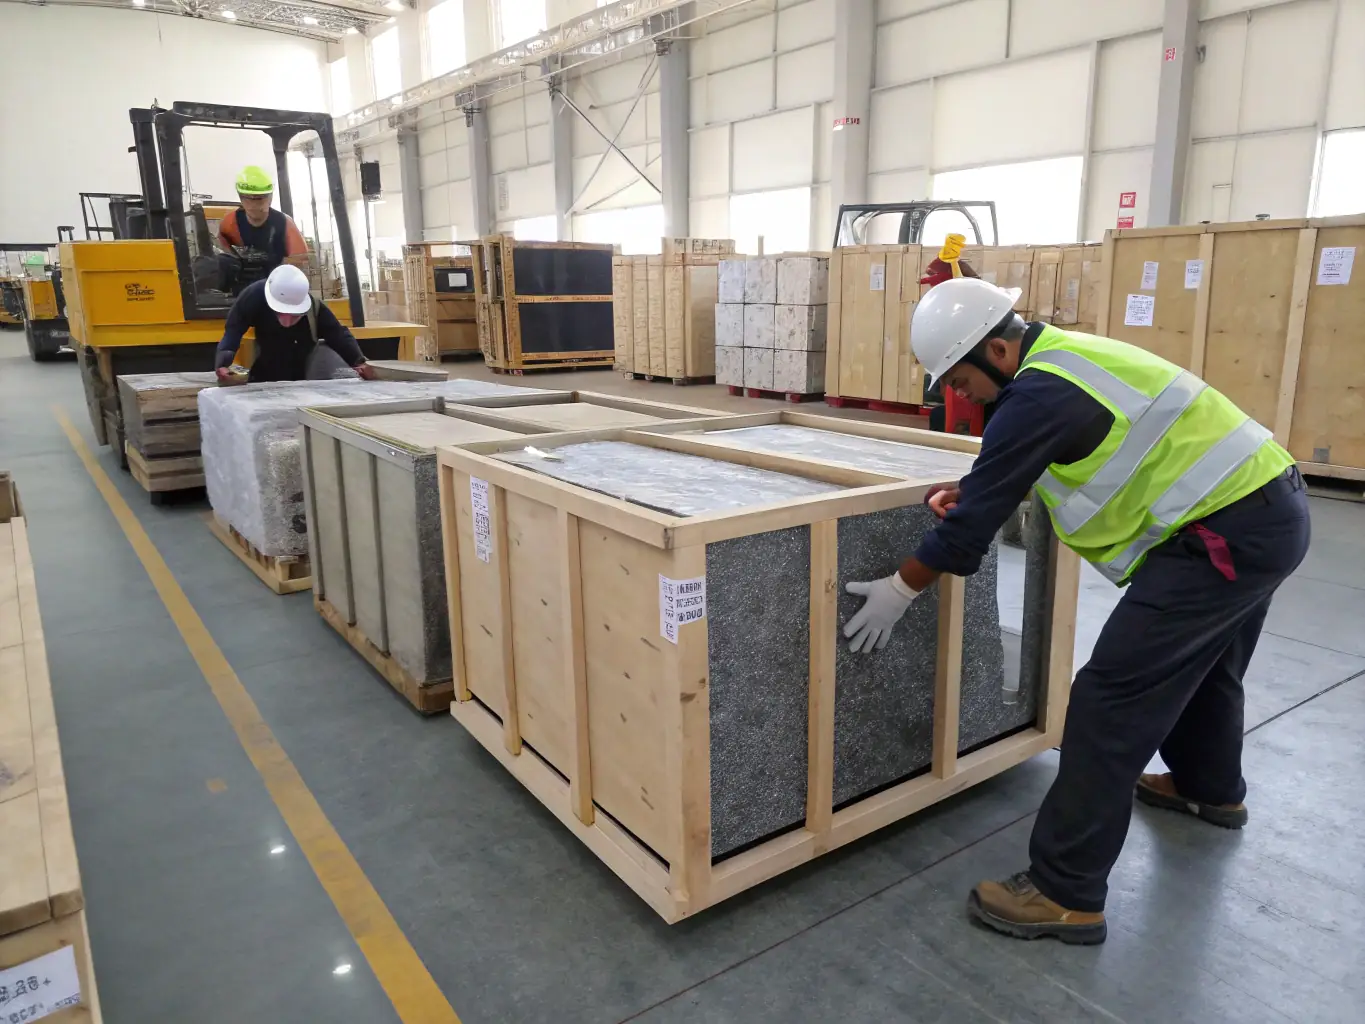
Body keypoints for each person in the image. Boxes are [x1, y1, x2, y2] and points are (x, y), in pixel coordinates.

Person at [842, 276, 1310, 946]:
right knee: (1207, 669)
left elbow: (967, 534)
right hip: (1267, 513)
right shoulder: (1064, 361)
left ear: (995, 352)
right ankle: (1209, 788)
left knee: (1106, 704)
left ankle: (1065, 892)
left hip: (1220, 541)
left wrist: (899, 588)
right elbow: (1030, 464)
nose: (958, 396)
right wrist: (975, 490)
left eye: (960, 381)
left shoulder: (1034, 395)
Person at [215, 264, 376, 384]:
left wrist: (359, 361)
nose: (287, 322)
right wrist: (223, 362)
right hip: (265, 367)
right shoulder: (253, 297)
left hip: (300, 372)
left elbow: (338, 334)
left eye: (294, 316)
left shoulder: (315, 308)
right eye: (281, 314)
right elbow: (233, 330)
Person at [216, 165, 309, 289]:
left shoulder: (284, 224)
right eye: (249, 199)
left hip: (277, 288)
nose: (255, 204)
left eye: (260, 199)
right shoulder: (230, 224)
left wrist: (279, 275)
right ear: (241, 198)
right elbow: (223, 253)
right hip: (242, 290)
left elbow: (300, 261)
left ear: (270, 197)